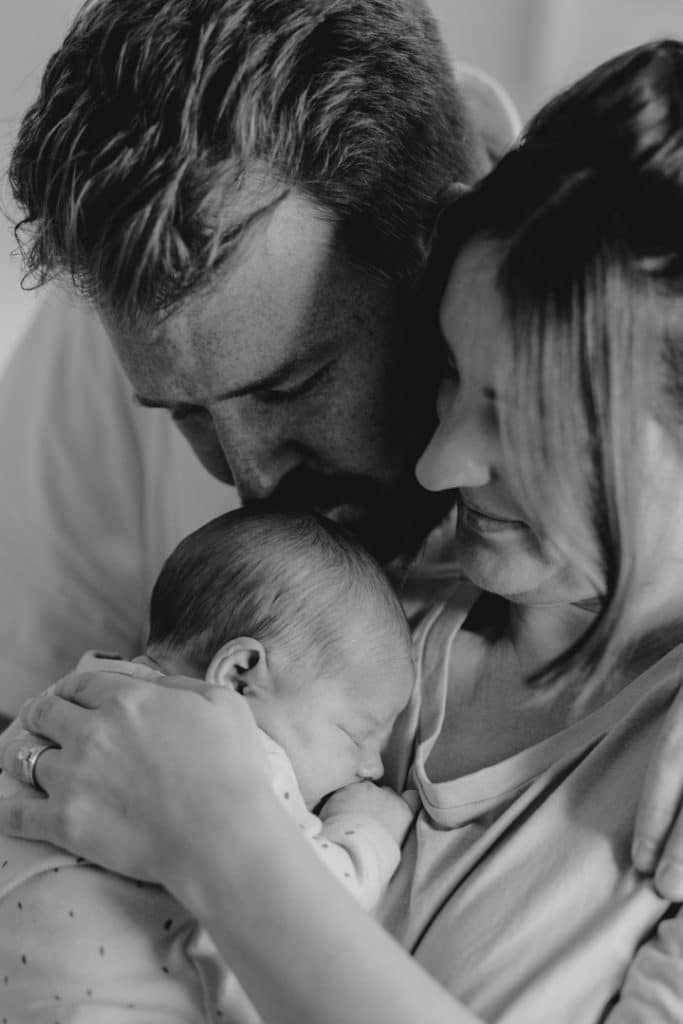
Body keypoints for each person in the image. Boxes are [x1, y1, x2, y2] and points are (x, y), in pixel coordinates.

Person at [7, 39, 683, 1024]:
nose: (438, 464)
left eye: (295, 381)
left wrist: (222, 842)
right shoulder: (353, 599)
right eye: (448, 373)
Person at [0, 0, 512, 721]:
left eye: (290, 385)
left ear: (446, 246)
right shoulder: (119, 303)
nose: (251, 480)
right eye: (184, 413)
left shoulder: (628, 330)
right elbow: (18, 692)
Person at [0, 506, 415, 1019]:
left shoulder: (68, 703)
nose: (372, 767)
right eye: (357, 734)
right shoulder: (234, 756)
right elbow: (310, 914)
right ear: (241, 677)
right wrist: (366, 834)